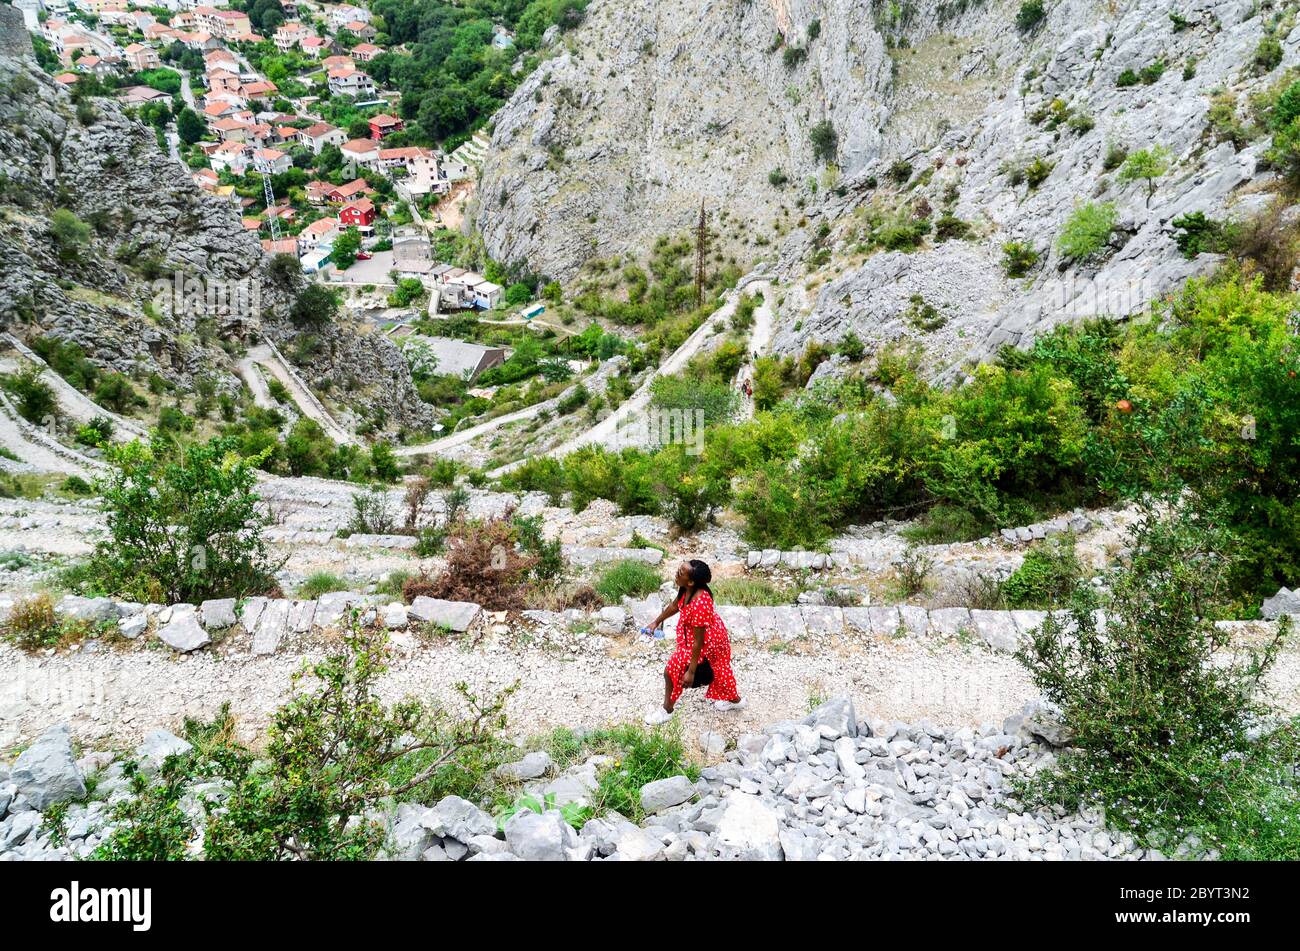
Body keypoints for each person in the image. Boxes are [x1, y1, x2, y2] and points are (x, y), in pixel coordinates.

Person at [642, 559, 745, 724]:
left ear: (690, 581)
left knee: (671, 671)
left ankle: (666, 710)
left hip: (709, 643)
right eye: (679, 569)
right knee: (718, 674)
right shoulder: (687, 589)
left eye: (681, 572)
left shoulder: (700, 603)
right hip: (701, 637)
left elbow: (699, 642)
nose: (677, 572)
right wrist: (656, 622)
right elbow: (676, 605)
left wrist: (691, 670)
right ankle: (737, 702)